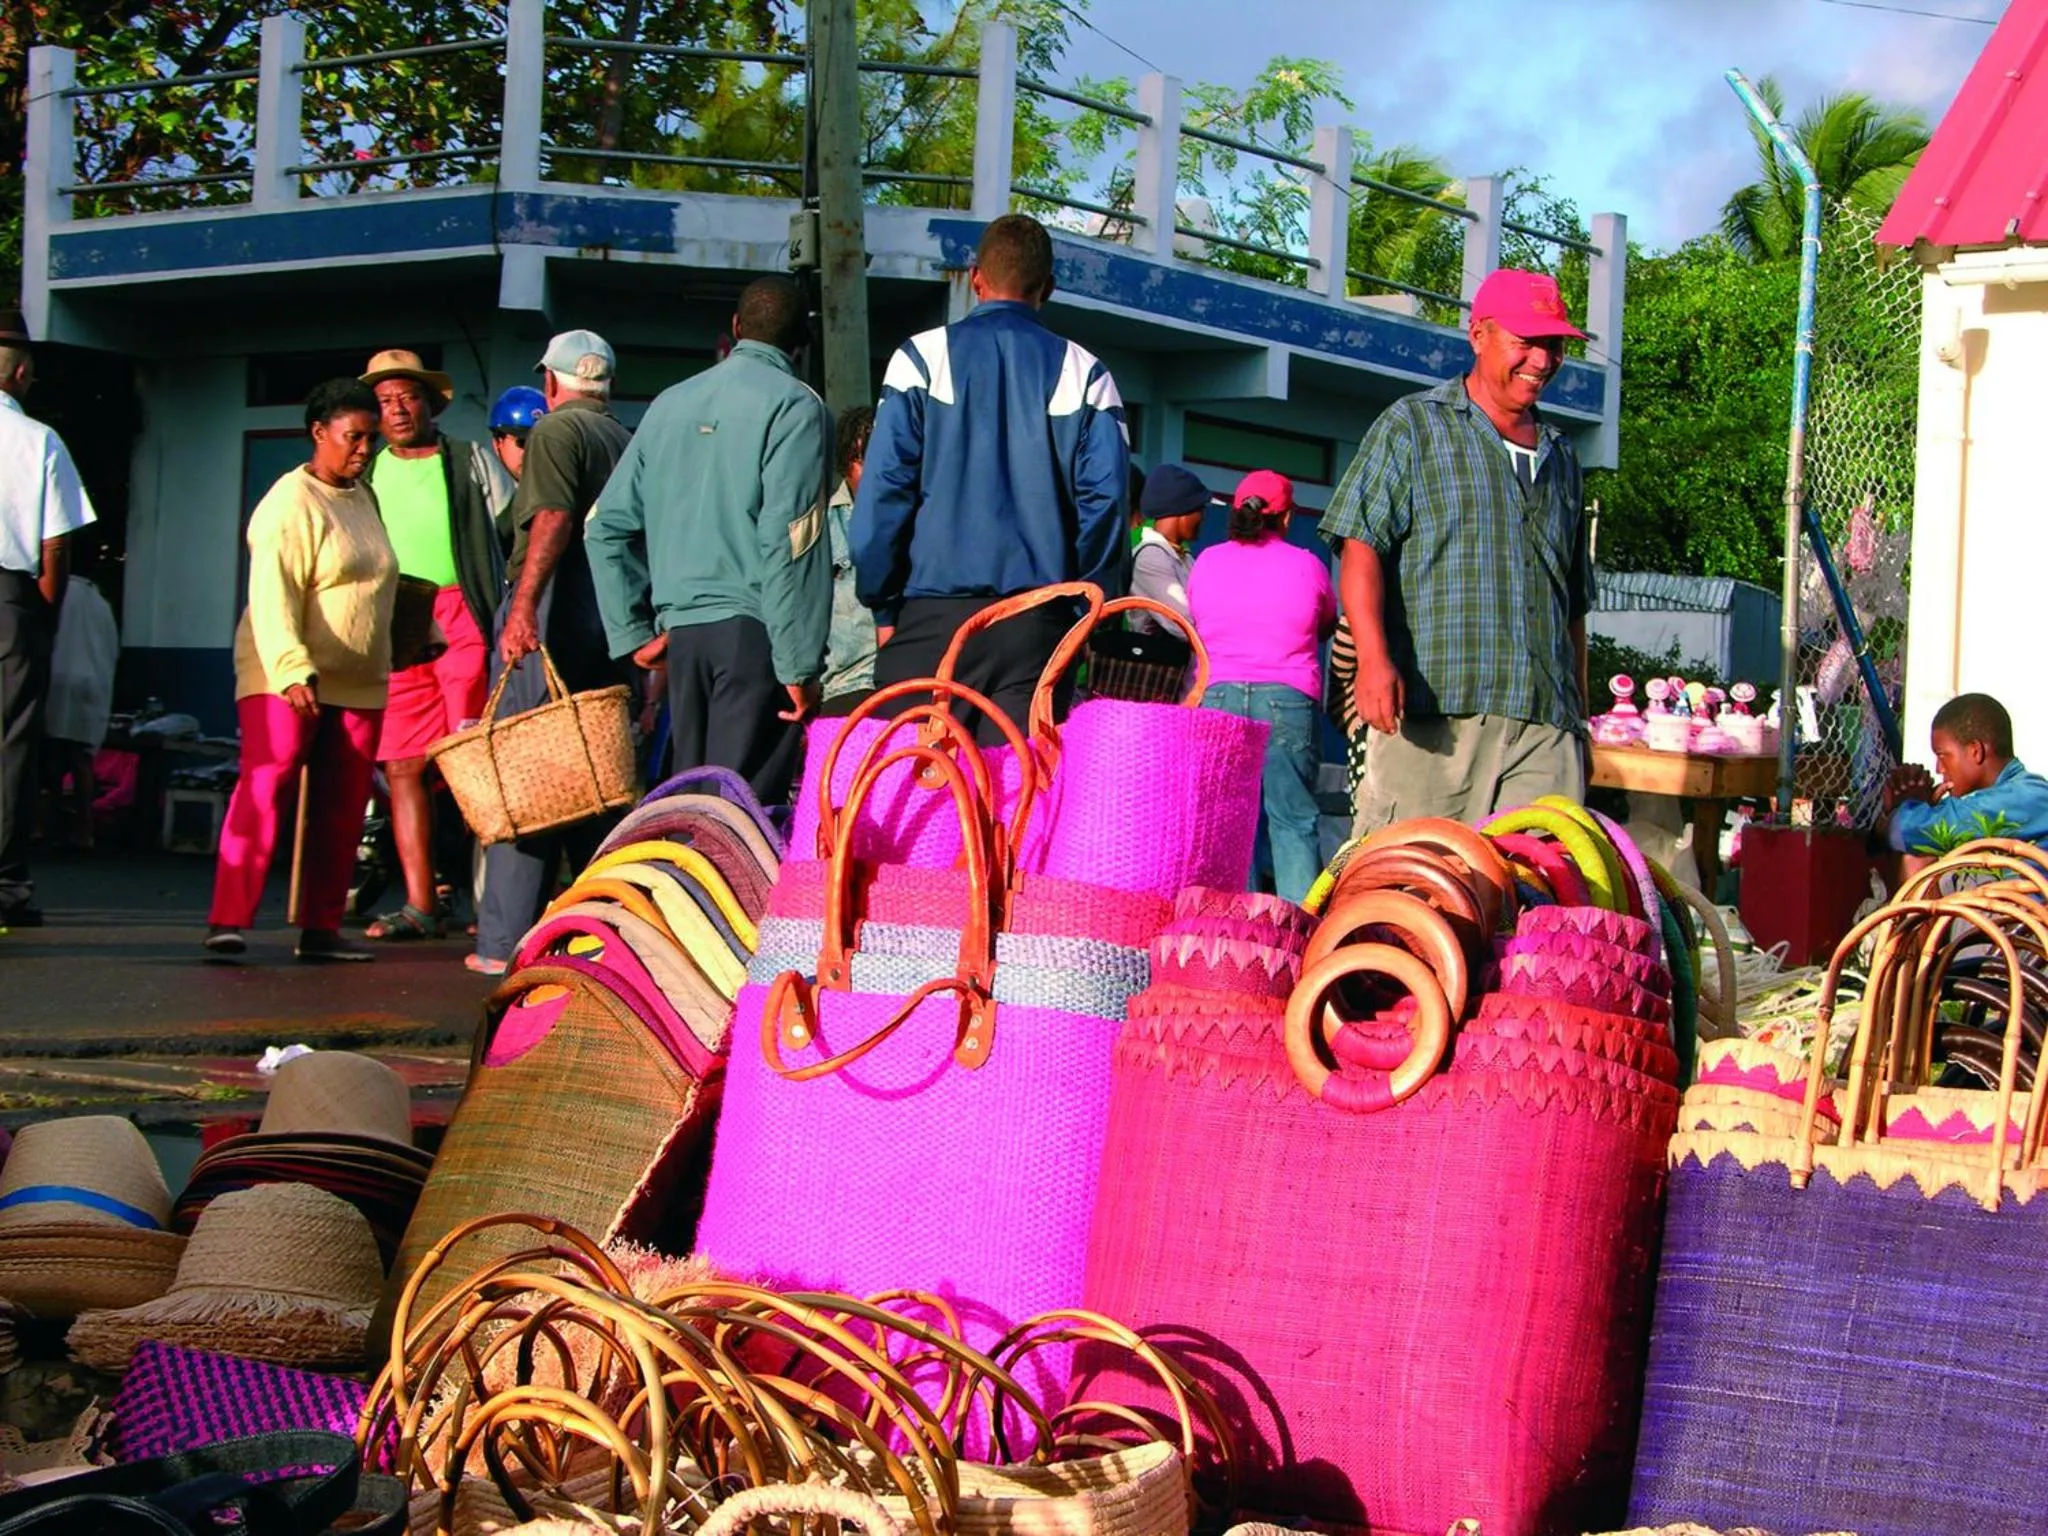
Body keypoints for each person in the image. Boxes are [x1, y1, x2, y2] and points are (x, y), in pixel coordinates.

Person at [1321, 267, 1594, 832]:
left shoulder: (1564, 456)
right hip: (1434, 717)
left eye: (1554, 346)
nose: (1542, 362)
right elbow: (1360, 547)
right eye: (1526, 343)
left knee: (1536, 901)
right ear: (1478, 335)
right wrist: (1372, 659)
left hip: (1544, 726)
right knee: (1411, 893)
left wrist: (1580, 719)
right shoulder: (1414, 425)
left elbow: (1572, 605)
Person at [853, 213, 1129, 740]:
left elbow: (884, 495)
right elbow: (1106, 506)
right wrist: (1082, 613)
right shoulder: (1087, 374)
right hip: (1038, 629)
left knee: (912, 807)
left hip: (930, 622)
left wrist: (884, 604)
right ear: (1047, 288)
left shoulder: (920, 358)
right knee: (1019, 810)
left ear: (976, 276)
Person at [588, 277, 832, 805]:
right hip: (756, 634)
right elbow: (792, 541)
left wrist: (632, 634)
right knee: (740, 818)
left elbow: (603, 526)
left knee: (691, 807)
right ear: (801, 341)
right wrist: (799, 666)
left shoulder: (670, 403)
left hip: (683, 637)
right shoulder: (796, 406)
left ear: (737, 328)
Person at [204, 379, 397, 962]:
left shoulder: (365, 496)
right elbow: (273, 594)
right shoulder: (289, 503)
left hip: (358, 678)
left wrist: (420, 634)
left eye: (372, 439)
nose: (364, 450)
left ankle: (321, 929)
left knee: (343, 806)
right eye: (352, 438)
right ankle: (228, 919)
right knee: (270, 781)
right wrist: (292, 669)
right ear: (319, 433)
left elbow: (379, 575)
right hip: (282, 670)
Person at [472, 329, 632, 976]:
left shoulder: (556, 434)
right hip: (611, 628)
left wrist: (521, 608)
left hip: (553, 617)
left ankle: (502, 943)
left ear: (551, 383)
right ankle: (594, 933)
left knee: (525, 785)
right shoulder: (625, 438)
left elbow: (552, 520)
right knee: (595, 788)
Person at [357, 349, 513, 943]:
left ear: (430, 403)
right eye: (384, 401)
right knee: (402, 766)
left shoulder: (469, 459)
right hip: (396, 622)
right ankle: (421, 902)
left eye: (407, 398)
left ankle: (493, 906)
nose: (396, 410)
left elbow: (508, 529)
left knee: (473, 762)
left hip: (461, 613)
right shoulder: (366, 470)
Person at [1187, 471, 1336, 905]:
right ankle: (1298, 938)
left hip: (1216, 696)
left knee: (1231, 823)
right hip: (1286, 698)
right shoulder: (1308, 564)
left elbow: (1198, 619)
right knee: (1292, 820)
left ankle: (1238, 934)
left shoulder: (1208, 561)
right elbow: (1324, 623)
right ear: (1286, 517)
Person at [0, 310, 96, 930]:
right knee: (9, 742)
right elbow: (55, 546)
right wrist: (44, 611)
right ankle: (5, 884)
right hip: (9, 600)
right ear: (24, 371)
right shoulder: (39, 441)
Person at [1884, 693, 2048, 874]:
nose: (1939, 769)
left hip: (2029, 902)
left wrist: (1905, 810)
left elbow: (1912, 829)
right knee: (1918, 858)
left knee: (1917, 860)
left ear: (1975, 751)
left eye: (1942, 755)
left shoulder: (2026, 796)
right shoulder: (2005, 794)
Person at [40, 571, 119, 849]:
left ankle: (43, 823)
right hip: (91, 683)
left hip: (54, 678)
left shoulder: (52, 591)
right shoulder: (99, 601)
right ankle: (84, 827)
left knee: (47, 749)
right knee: (81, 756)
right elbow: (111, 649)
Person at [818, 405, 880, 717]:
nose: (869, 470)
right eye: (859, 459)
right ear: (845, 464)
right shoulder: (826, 525)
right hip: (847, 685)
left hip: (910, 680)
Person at [1129, 463, 1208, 631]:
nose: (1203, 518)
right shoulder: (1150, 556)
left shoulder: (1183, 556)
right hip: (1157, 656)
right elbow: (1182, 623)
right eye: (1200, 510)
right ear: (1183, 511)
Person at [487, 385, 548, 493]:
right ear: (497, 443)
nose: (532, 452)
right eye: (522, 442)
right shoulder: (484, 501)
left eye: (542, 443)